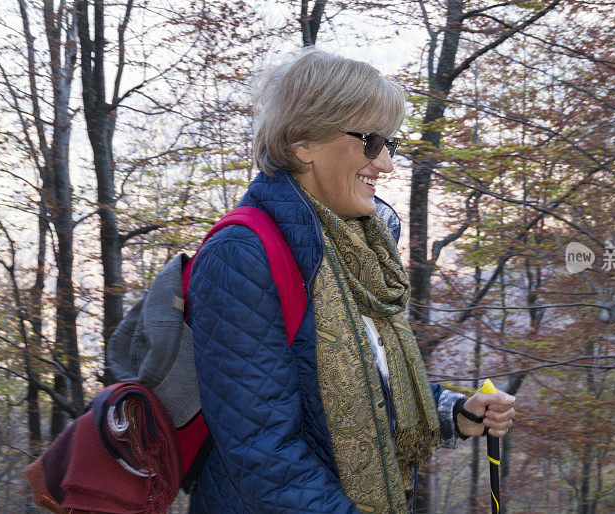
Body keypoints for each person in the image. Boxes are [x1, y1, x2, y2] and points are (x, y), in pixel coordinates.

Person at [186, 48, 516, 513]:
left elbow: (373, 387)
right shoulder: (241, 255)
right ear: (303, 142)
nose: (385, 165)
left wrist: (455, 413)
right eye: (370, 142)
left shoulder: (357, 250)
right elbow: (261, 451)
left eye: (390, 145)